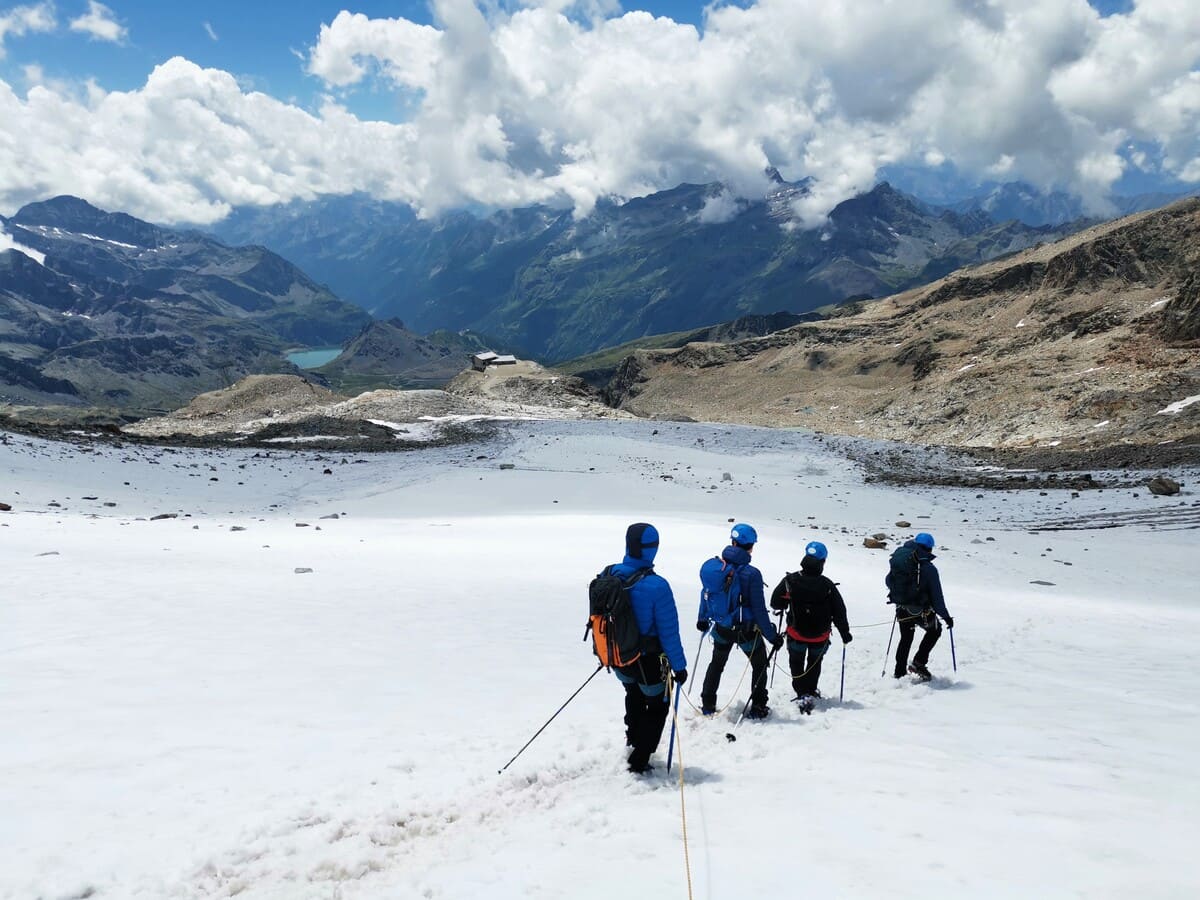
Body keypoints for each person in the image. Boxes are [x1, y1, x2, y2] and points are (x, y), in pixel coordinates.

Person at [607, 522, 687, 774]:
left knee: (633, 695)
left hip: (618, 656)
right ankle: (640, 757)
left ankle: (633, 739)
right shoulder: (657, 586)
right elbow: (668, 632)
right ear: (652, 549)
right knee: (657, 705)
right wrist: (679, 666)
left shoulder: (609, 574)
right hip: (648, 662)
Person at [697, 523, 782, 720]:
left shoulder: (718, 569)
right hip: (747, 632)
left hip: (722, 628)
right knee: (759, 665)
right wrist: (771, 637)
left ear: (733, 542)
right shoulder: (751, 574)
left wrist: (702, 618)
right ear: (751, 546)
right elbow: (759, 610)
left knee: (717, 664)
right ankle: (758, 706)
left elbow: (706, 594)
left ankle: (708, 704)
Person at [769, 540, 851, 712]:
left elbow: (775, 603)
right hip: (820, 635)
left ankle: (802, 692)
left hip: (796, 633)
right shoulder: (827, 584)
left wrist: (786, 602)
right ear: (823, 561)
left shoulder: (790, 580)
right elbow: (839, 610)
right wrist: (845, 632)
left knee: (796, 662)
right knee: (815, 662)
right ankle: (810, 690)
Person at [887, 532, 954, 681]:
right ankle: (919, 662)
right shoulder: (929, 568)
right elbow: (937, 596)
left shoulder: (901, 560)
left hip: (901, 607)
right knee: (935, 630)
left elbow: (888, 581)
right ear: (929, 548)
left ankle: (899, 673)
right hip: (920, 610)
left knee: (906, 638)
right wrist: (946, 616)